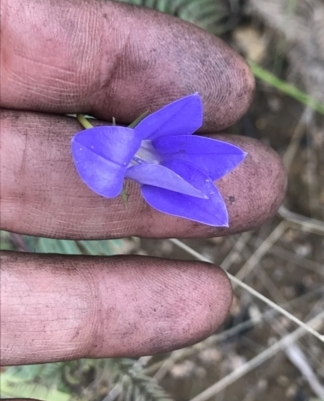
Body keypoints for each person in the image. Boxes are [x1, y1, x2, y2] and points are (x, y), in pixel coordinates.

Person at [0, 0, 286, 366]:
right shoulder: (106, 149)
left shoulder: (110, 153)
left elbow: (148, 136)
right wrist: (118, 148)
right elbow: (125, 140)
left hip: (128, 145)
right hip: (130, 143)